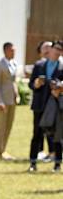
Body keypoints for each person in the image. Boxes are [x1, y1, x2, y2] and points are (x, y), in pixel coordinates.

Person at [28, 40, 55, 169]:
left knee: (54, 134)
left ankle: (55, 158)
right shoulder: (38, 65)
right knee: (37, 134)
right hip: (39, 105)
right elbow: (31, 84)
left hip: (54, 105)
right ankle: (33, 161)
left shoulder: (59, 65)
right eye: (44, 48)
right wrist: (36, 84)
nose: (47, 51)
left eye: (49, 48)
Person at [38, 41, 63, 173]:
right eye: (56, 49)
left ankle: (58, 163)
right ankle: (55, 162)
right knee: (54, 134)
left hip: (59, 102)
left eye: (60, 49)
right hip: (50, 103)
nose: (58, 52)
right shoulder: (42, 64)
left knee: (59, 135)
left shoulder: (62, 65)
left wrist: (60, 87)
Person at [0, 42, 19, 160]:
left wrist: (16, 95)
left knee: (9, 125)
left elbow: (13, 82)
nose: (14, 52)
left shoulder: (14, 64)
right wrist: (0, 101)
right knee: (1, 126)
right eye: (12, 50)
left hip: (12, 100)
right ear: (6, 50)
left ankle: (4, 149)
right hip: (2, 101)